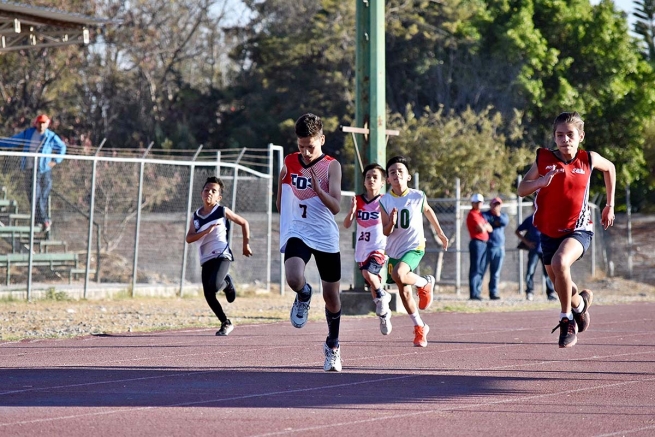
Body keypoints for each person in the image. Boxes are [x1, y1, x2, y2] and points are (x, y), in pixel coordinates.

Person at [517, 111, 615, 348]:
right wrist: (539, 182)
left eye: (570, 134)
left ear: (580, 136)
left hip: (578, 229)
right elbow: (522, 189)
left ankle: (566, 320)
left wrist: (609, 206)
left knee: (561, 263)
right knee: (563, 287)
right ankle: (580, 305)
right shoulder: (544, 159)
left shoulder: (588, 159)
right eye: (559, 135)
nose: (565, 140)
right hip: (549, 232)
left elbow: (610, 168)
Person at [276, 113, 344, 372]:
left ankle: (333, 346)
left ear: (322, 140)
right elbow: (282, 193)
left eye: (310, 146)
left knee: (332, 298)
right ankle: (304, 295)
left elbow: (337, 206)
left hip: (325, 236)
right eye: (301, 146)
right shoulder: (290, 161)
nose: (305, 151)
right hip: (299, 231)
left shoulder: (331, 166)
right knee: (293, 278)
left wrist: (318, 190)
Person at [379, 156, 449, 348]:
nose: (397, 174)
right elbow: (385, 231)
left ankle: (425, 283)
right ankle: (420, 326)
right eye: (392, 172)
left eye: (401, 171)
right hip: (394, 249)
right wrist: (391, 223)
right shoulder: (384, 200)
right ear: (388, 179)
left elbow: (428, 211)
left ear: (408, 176)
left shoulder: (418, 196)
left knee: (399, 273)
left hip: (414, 246)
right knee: (404, 292)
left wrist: (440, 232)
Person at [186, 176, 252, 337]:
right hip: (205, 258)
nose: (209, 192)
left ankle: (227, 282)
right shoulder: (195, 216)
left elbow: (244, 223)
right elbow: (189, 238)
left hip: (222, 254)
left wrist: (245, 245)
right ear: (201, 193)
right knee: (208, 294)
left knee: (215, 286)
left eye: (213, 191)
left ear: (218, 197)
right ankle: (225, 322)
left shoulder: (221, 211)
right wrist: (205, 232)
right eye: (206, 190)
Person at [343, 163, 391, 335]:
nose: (371, 179)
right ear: (364, 181)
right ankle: (384, 314)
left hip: (379, 247)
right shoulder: (358, 200)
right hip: (362, 248)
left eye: (375, 177)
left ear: (383, 182)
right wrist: (351, 211)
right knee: (372, 281)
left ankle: (384, 296)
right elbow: (347, 224)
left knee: (368, 274)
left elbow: (390, 225)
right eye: (368, 177)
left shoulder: (385, 200)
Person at [0, 114, 66, 234]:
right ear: (36, 123)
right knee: (33, 195)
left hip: (44, 170)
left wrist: (55, 160)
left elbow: (62, 148)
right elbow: (12, 141)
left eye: (44, 123)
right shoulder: (29, 133)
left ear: (47, 124)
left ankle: (43, 220)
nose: (41, 125)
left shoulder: (50, 136)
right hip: (30, 169)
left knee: (42, 196)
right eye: (39, 123)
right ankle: (42, 220)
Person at [515, 204, 556, 301]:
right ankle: (529, 292)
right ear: (533, 207)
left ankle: (550, 293)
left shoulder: (548, 218)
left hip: (546, 250)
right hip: (534, 250)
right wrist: (527, 242)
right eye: (535, 206)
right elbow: (517, 231)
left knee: (548, 272)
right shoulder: (530, 219)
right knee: (530, 271)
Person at [466, 193, 493, 300]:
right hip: (477, 243)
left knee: (481, 268)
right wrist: (484, 226)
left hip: (484, 243)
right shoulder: (472, 214)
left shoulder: (480, 215)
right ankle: (474, 293)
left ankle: (477, 291)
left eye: (480, 202)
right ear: (472, 203)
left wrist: (484, 226)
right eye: (477, 202)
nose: (479, 204)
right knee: (475, 268)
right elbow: (481, 229)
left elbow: (490, 229)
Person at [482, 197, 509, 300]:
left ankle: (493, 293)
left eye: (498, 204)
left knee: (495, 273)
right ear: (490, 205)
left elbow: (503, 222)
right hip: (487, 247)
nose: (496, 206)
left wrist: (497, 216)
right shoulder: (485, 215)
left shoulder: (503, 215)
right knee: (482, 270)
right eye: (494, 204)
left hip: (499, 248)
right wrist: (491, 223)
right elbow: (484, 222)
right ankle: (476, 293)